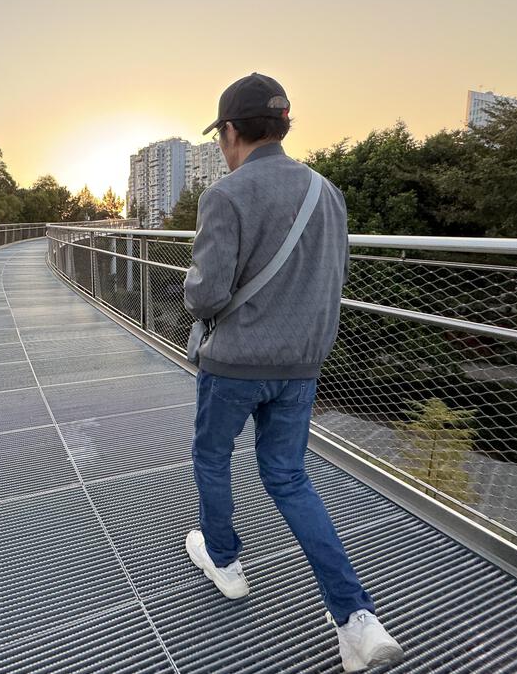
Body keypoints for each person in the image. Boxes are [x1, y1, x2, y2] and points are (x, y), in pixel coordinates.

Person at [183, 73, 403, 673]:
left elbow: (205, 295)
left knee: (211, 455)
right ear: (283, 126)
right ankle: (356, 620)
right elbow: (333, 278)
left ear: (230, 132)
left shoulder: (226, 196)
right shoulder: (326, 192)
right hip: (302, 366)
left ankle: (224, 561)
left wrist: (194, 293)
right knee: (288, 478)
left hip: (234, 364)